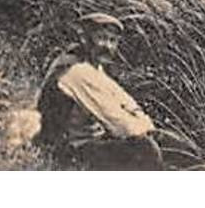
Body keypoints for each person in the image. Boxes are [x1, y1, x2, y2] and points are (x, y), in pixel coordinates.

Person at [34, 13, 165, 170]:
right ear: (85, 39)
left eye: (112, 40)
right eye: (101, 38)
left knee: (162, 142)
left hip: (85, 144)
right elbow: (120, 125)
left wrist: (149, 127)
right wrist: (146, 131)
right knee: (145, 149)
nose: (107, 46)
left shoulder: (95, 67)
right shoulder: (76, 70)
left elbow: (124, 100)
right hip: (66, 153)